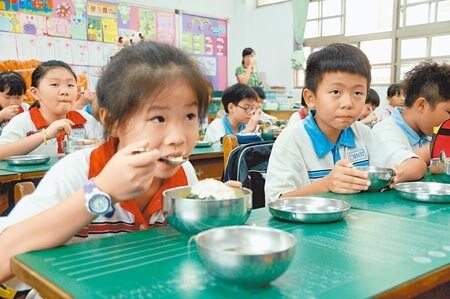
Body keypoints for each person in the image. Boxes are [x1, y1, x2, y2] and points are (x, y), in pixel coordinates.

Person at [0, 41, 211, 292]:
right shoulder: (77, 171)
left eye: (189, 116)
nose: (178, 137)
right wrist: (101, 191)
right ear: (113, 122)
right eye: (158, 118)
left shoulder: (182, 172)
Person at [265, 43, 426, 202]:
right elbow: (276, 201)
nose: (348, 103)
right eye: (336, 92)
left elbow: (417, 165)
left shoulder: (362, 134)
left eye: (357, 93)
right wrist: (326, 185)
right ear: (310, 98)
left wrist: (397, 173)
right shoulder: (291, 140)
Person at [0, 60, 104, 160]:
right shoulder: (22, 122)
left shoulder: (85, 119)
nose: (64, 91)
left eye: (70, 85)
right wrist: (45, 135)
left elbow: (109, 147)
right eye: (54, 84)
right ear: (35, 93)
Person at [371, 61, 450, 165]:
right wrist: (439, 145)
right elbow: (398, 169)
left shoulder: (427, 133)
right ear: (421, 105)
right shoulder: (384, 133)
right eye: (449, 112)